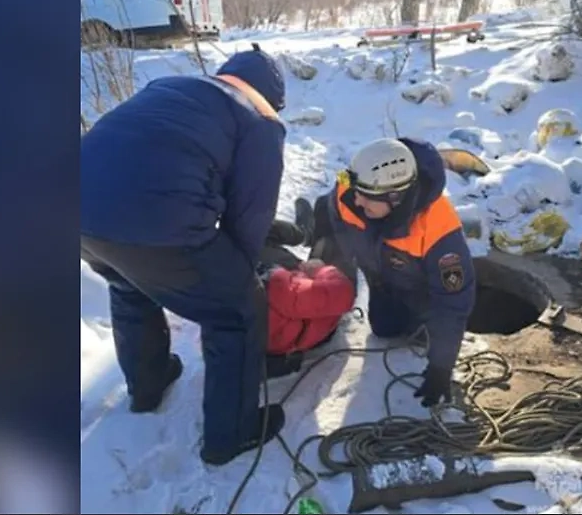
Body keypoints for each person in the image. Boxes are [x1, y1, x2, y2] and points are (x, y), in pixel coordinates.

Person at [80, 44, 287, 467]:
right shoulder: (261, 119)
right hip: (157, 219)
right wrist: (240, 279)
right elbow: (250, 215)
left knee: (130, 283)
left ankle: (148, 385)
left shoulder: (171, 86)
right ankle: (230, 436)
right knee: (237, 311)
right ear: (273, 96)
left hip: (78, 211)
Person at [298, 137, 477, 408]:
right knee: (382, 327)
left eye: (366, 197)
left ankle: (418, 323)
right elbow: (330, 202)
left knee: (400, 326)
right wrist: (322, 250)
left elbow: (453, 304)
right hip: (378, 273)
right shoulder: (354, 186)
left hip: (417, 288)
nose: (356, 200)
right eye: (356, 190)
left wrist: (442, 367)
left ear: (395, 198)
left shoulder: (440, 231)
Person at [256, 219, 356, 379]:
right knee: (334, 241)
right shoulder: (277, 287)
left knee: (256, 229)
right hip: (313, 308)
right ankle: (308, 233)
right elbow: (344, 293)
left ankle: (303, 233)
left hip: (289, 283)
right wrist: (321, 269)